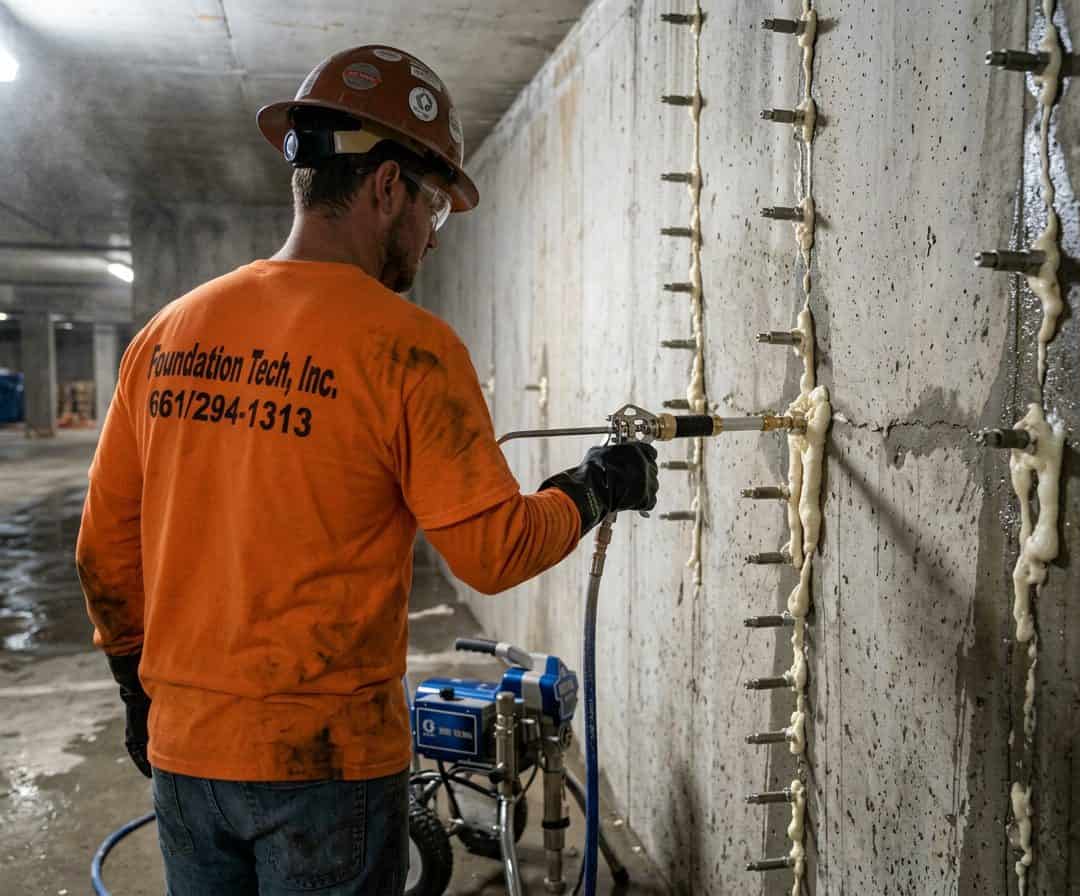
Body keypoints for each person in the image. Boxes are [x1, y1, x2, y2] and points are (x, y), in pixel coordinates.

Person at [76, 45, 658, 895]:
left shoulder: (168, 335)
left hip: (186, 757)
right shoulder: (409, 349)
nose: (432, 233)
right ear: (387, 186)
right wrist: (597, 486)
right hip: (328, 766)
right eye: (433, 205)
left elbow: (102, 551)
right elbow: (494, 550)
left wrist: (139, 692)